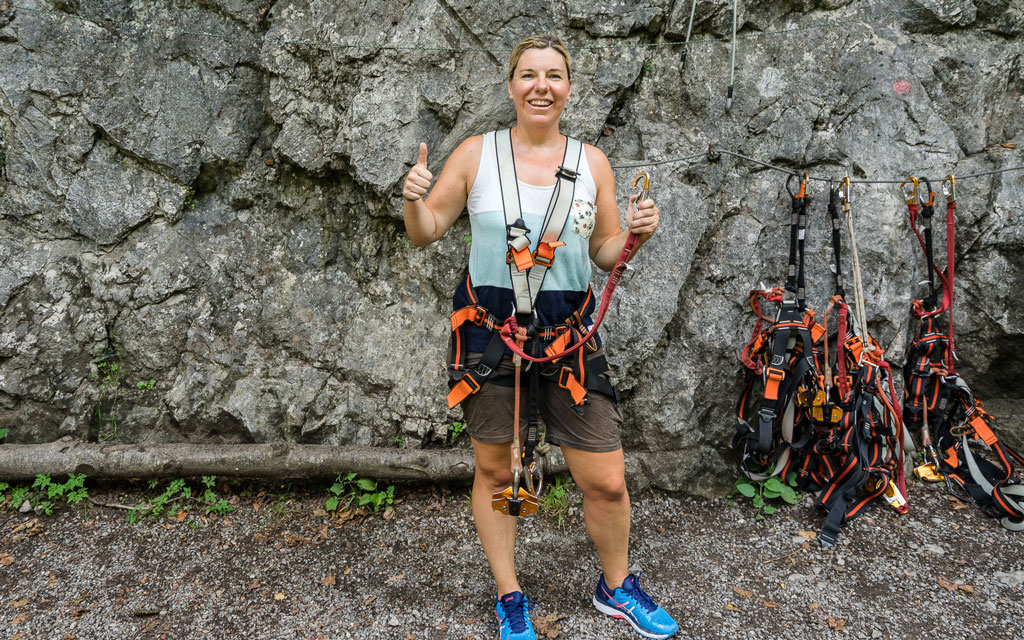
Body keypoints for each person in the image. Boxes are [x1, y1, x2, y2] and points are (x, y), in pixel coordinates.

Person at [402, 34, 678, 640]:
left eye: (554, 76)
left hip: (568, 335)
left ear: (569, 89)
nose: (541, 86)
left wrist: (635, 236)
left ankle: (616, 588)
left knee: (606, 478)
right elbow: (427, 231)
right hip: (491, 333)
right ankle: (510, 597)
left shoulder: (592, 164)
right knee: (496, 473)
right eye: (529, 75)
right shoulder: (477, 156)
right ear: (511, 85)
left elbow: (604, 253)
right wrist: (413, 201)